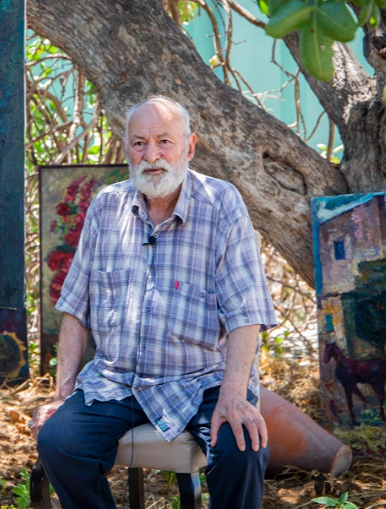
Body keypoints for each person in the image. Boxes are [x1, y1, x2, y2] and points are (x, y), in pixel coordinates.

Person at [32, 95, 278, 508]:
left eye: (164, 141)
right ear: (127, 148)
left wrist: (235, 396)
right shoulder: (106, 205)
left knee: (242, 447)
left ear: (189, 147)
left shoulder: (221, 203)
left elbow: (246, 312)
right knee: (59, 441)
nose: (152, 155)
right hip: (117, 381)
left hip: (201, 380)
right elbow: (75, 308)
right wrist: (62, 394)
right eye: (140, 143)